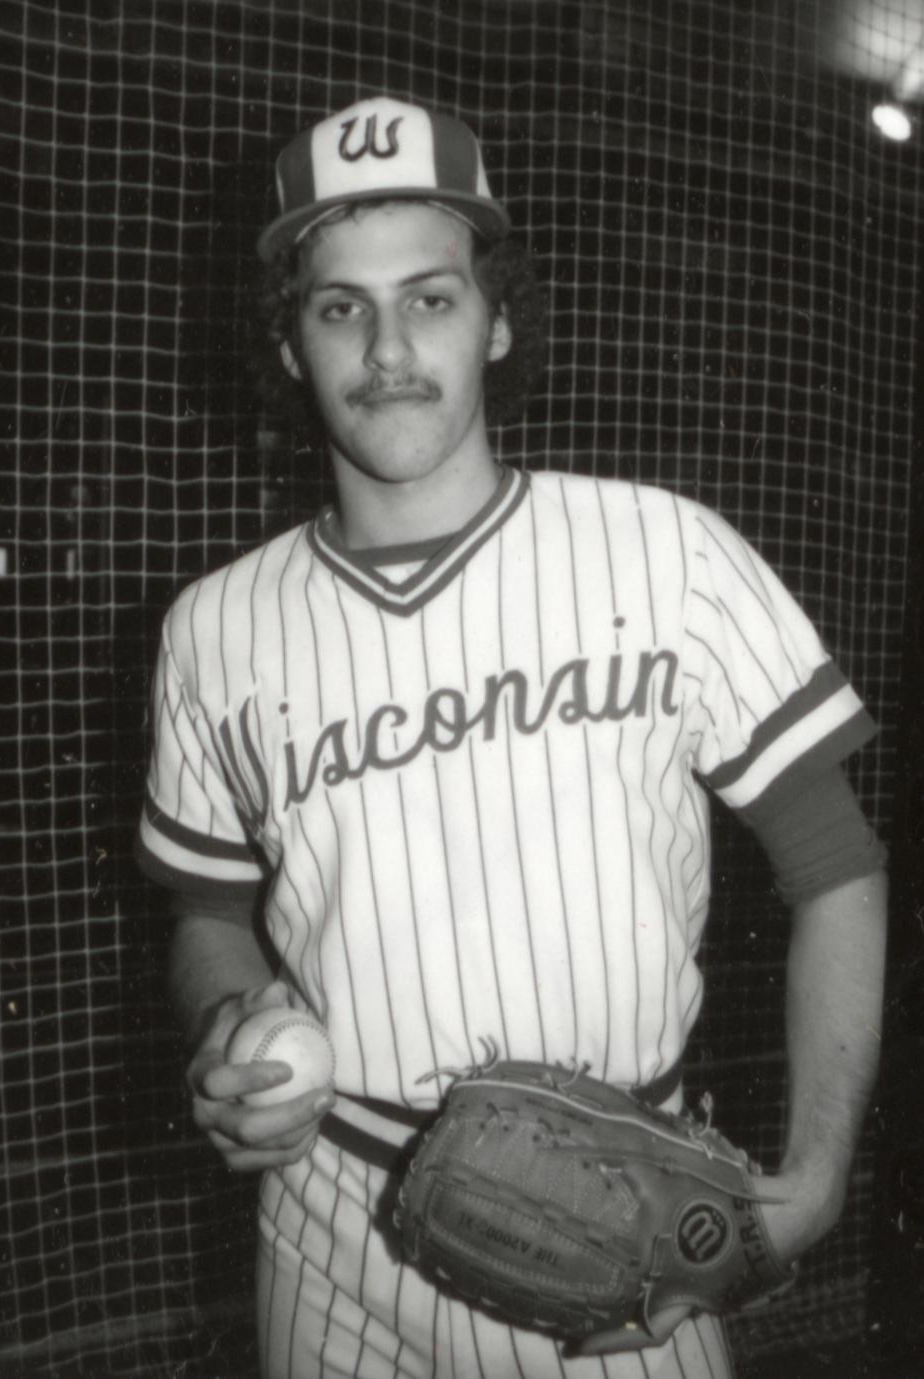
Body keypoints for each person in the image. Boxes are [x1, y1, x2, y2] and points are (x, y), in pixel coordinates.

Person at [136, 96, 888, 1379]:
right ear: (288, 342)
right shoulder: (215, 626)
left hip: (614, 1228)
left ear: (498, 320)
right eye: (339, 307)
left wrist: (817, 1171)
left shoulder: (668, 554)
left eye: (430, 298)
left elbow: (838, 868)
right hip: (327, 1227)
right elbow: (209, 908)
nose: (386, 347)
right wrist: (225, 1023)